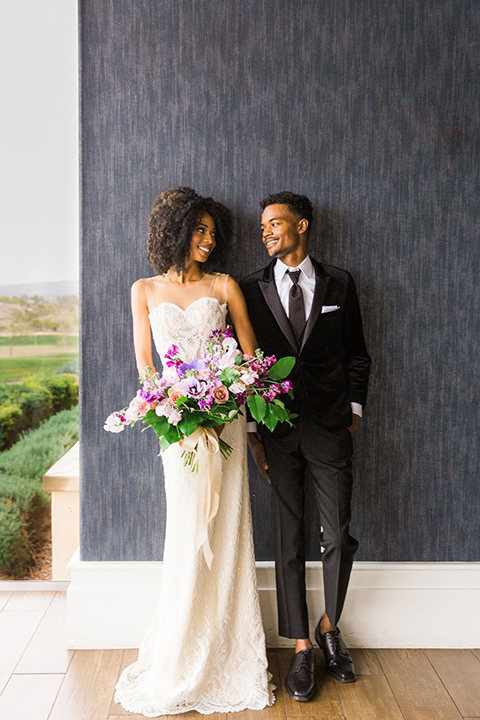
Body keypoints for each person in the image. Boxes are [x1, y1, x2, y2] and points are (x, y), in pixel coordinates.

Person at [114, 187, 275, 716]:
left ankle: (229, 655)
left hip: (224, 425)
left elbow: (252, 359)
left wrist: (225, 393)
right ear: (175, 230)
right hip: (179, 431)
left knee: (227, 530)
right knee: (186, 531)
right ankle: (180, 652)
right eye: (198, 231)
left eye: (212, 232)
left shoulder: (225, 286)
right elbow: (146, 368)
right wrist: (172, 407)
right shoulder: (143, 290)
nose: (207, 241)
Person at [240, 191, 371, 702]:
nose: (267, 232)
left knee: (337, 534)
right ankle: (300, 647)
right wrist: (253, 431)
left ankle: (328, 627)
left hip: (331, 428)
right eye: (263, 226)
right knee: (289, 538)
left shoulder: (340, 282)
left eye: (276, 223)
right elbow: (245, 366)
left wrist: (354, 413)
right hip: (277, 431)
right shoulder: (250, 288)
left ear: (303, 226)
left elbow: (357, 354)